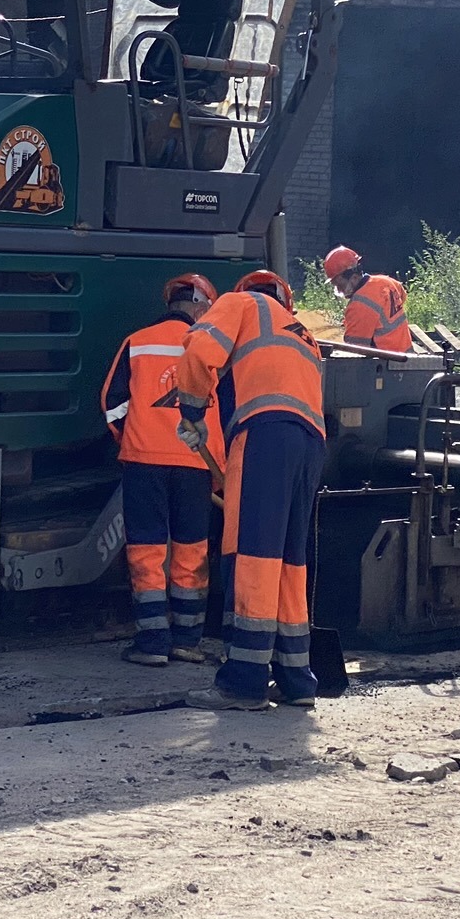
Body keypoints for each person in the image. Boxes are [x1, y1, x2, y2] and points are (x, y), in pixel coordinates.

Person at [173, 268, 326, 711]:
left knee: (252, 555)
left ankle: (244, 681)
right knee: (288, 562)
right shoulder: (303, 333)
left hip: (266, 436)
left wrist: (193, 413)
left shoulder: (241, 304)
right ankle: (296, 681)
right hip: (309, 444)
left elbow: (200, 349)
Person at [101, 274, 229, 668]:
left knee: (146, 551)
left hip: (144, 463)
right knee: (192, 551)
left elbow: (112, 402)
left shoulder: (137, 342)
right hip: (196, 464)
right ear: (202, 306)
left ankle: (153, 643)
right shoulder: (213, 347)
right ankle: (187, 640)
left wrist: (133, 437)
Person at [322, 246, 411, 352]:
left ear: (353, 277)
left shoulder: (359, 304)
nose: (338, 289)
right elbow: (402, 297)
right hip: (407, 354)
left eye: (338, 284)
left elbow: (354, 350)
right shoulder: (386, 281)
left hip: (386, 363)